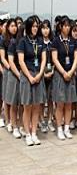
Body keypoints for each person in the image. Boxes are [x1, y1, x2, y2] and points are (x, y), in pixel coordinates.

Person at [17, 16, 47, 146]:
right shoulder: (23, 41)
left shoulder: (40, 41)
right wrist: (29, 76)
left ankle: (34, 133)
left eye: (37, 26)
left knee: (36, 106)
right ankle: (27, 133)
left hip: (38, 75)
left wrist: (40, 74)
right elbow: (21, 61)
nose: (35, 28)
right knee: (27, 106)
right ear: (29, 27)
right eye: (33, 26)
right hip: (27, 75)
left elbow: (44, 59)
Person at [51, 16, 77, 140]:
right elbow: (54, 59)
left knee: (69, 103)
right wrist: (63, 73)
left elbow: (76, 58)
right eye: (65, 25)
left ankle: (67, 128)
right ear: (61, 27)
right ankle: (60, 128)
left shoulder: (73, 41)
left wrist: (71, 71)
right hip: (60, 75)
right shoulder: (56, 41)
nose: (67, 28)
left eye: (69, 26)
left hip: (70, 74)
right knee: (60, 103)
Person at [1, 19, 21, 137]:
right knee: (8, 98)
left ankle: (15, 122)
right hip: (8, 71)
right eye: (12, 26)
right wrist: (9, 68)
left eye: (16, 26)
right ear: (8, 27)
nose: (14, 28)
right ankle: (9, 121)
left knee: (15, 99)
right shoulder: (4, 40)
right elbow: (3, 58)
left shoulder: (19, 41)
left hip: (17, 71)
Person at [39, 20, 55, 133]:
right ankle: (41, 120)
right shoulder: (38, 43)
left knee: (50, 100)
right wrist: (43, 73)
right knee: (41, 100)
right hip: (41, 74)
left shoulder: (53, 43)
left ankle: (49, 120)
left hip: (52, 74)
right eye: (43, 28)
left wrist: (52, 71)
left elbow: (56, 59)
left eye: (47, 28)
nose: (45, 30)